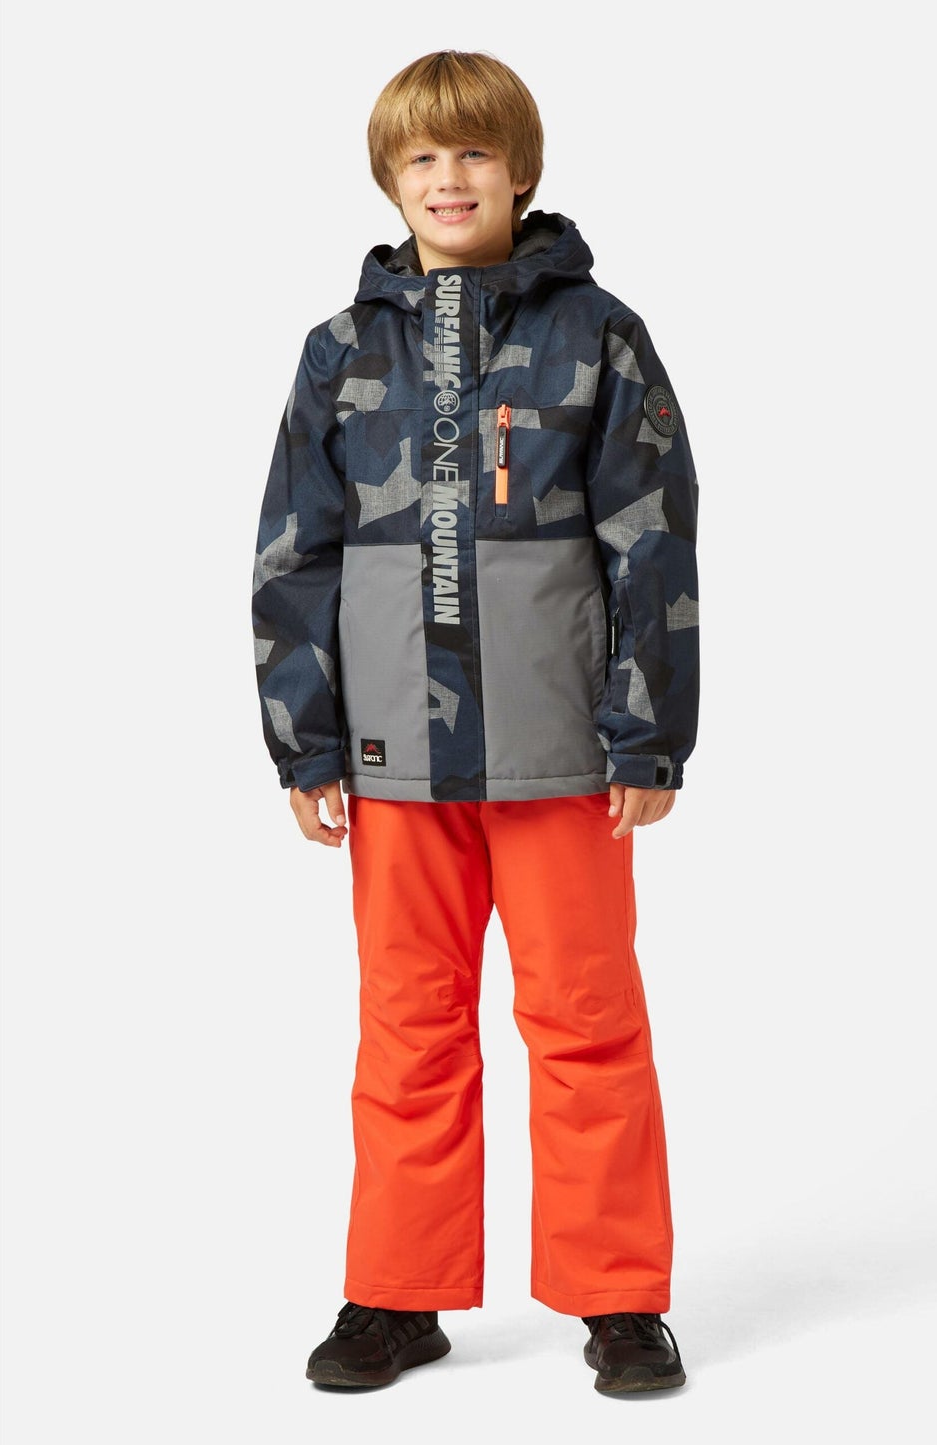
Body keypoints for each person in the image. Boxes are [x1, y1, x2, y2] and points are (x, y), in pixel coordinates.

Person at [251, 49, 701, 1396]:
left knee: (585, 1020)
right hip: (396, 759)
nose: (449, 179)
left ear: (519, 170)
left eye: (474, 153)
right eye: (421, 157)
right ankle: (398, 1292)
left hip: (563, 753)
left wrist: (647, 732)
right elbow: (294, 551)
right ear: (390, 179)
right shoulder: (341, 350)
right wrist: (305, 739)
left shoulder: (598, 334)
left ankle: (617, 1296)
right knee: (408, 1024)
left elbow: (652, 541)